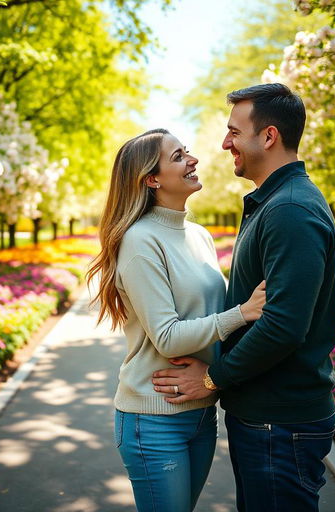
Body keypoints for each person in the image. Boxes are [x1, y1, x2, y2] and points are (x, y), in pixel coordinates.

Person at [151, 83, 335, 512]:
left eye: (234, 132)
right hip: (270, 418)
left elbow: (283, 326)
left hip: (279, 421)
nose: (224, 144)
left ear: (269, 136)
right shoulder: (276, 202)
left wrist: (212, 377)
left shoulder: (290, 210)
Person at [87, 128, 267, 512]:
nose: (193, 159)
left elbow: (204, 318)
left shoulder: (198, 235)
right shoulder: (140, 240)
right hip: (153, 417)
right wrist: (243, 312)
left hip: (201, 411)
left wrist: (215, 374)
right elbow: (167, 337)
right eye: (178, 156)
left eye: (187, 152)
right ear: (152, 179)